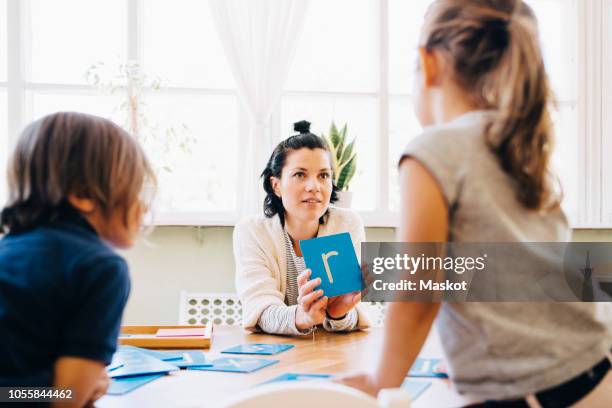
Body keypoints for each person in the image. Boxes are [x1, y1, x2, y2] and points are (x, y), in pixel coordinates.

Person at [340, 1, 612, 406]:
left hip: (530, 392)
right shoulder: (517, 144)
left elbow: (420, 290)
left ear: (427, 63)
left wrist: (382, 379)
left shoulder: (432, 150)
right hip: (592, 373)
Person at [0, 112, 155, 407]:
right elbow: (65, 399)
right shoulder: (100, 267)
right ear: (83, 195)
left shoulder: (8, 249)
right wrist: (82, 385)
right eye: (135, 190)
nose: (144, 206)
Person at [233, 121, 370, 336]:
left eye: (323, 175)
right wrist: (302, 317)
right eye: (300, 175)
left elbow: (359, 310)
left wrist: (338, 315)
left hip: (334, 353)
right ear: (276, 185)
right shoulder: (252, 231)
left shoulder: (346, 224)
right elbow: (259, 309)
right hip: (275, 352)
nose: (314, 186)